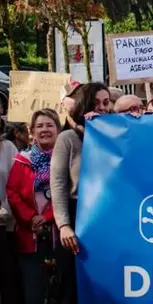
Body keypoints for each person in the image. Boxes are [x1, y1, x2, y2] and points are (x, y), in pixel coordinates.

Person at [51, 82, 111, 304]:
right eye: (96, 103)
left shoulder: (115, 136)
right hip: (78, 216)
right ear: (85, 104)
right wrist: (64, 225)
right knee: (72, 282)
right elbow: (58, 184)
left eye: (106, 102)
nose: (103, 107)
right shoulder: (68, 139)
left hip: (107, 215)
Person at [7, 109, 61, 304]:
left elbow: (68, 193)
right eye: (39, 126)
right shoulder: (22, 160)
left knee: (61, 288)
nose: (44, 130)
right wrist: (30, 218)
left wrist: (47, 217)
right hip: (29, 234)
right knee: (33, 289)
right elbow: (12, 192)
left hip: (61, 233)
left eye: (49, 125)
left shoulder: (66, 159)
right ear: (31, 132)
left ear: (58, 129)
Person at [0, 117, 21, 304]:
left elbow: (15, 185)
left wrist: (3, 211)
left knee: (8, 278)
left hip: (5, 225)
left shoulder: (8, 148)